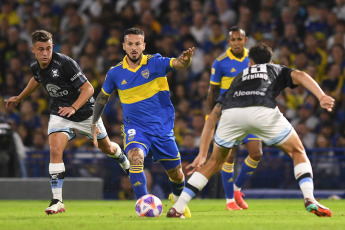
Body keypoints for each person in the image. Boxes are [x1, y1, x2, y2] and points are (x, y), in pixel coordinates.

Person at [167, 43, 334, 218]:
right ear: (269, 60)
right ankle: (309, 198)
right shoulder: (275, 69)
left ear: (250, 62)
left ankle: (177, 208)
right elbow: (300, 75)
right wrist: (321, 96)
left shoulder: (238, 78)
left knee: (213, 163)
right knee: (297, 151)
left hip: (231, 114)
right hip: (262, 109)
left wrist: (202, 153)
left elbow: (214, 115)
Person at [5, 30, 130, 215]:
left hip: (86, 112)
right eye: (41, 49)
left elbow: (88, 89)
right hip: (60, 113)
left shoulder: (65, 63)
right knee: (55, 150)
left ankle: (125, 161)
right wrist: (21, 97)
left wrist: (73, 107)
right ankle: (57, 200)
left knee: (108, 148)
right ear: (33, 50)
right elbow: (37, 79)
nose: (45, 53)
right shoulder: (36, 67)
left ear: (52, 47)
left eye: (48, 48)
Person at [91, 27, 194, 218]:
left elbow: (179, 63)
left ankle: (178, 200)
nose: (134, 47)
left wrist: (185, 61)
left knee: (177, 175)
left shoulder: (156, 62)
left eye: (137, 43)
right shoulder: (115, 73)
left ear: (143, 45)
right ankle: (143, 205)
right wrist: (94, 121)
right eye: (130, 44)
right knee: (135, 158)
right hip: (135, 128)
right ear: (124, 46)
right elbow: (102, 98)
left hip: (162, 129)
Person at [205, 26, 262, 210]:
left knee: (256, 153)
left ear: (245, 40)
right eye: (233, 39)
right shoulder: (220, 62)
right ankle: (230, 201)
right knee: (228, 156)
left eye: (240, 39)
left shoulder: (253, 59)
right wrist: (209, 118)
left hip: (251, 112)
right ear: (228, 42)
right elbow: (212, 91)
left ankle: (236, 189)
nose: (237, 42)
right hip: (228, 114)